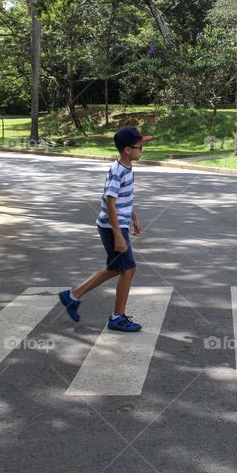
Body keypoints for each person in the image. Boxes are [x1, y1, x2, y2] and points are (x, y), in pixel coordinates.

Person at [59, 126, 152, 332]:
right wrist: (119, 235)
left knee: (117, 268)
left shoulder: (127, 168)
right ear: (127, 150)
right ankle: (117, 317)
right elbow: (110, 202)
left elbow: (123, 200)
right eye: (140, 146)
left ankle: (72, 296)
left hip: (117, 225)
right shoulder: (118, 170)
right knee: (128, 268)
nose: (142, 150)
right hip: (112, 227)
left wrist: (134, 216)